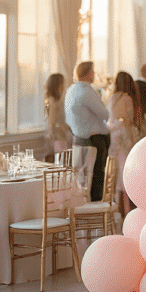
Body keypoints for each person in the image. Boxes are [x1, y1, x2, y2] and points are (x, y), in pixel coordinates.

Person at [65, 61, 110, 202]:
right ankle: (95, 206)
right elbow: (104, 114)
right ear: (87, 73)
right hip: (93, 138)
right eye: (93, 71)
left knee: (81, 176)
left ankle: (83, 204)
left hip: (77, 138)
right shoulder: (87, 91)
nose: (94, 74)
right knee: (96, 176)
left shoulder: (71, 90)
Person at [108, 71, 142, 215]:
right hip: (124, 135)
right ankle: (128, 208)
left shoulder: (112, 97)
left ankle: (119, 207)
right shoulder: (127, 98)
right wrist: (133, 139)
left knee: (118, 169)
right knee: (128, 169)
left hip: (114, 135)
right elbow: (128, 119)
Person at [43, 74, 71, 163]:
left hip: (61, 135)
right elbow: (52, 122)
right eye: (63, 83)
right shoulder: (53, 100)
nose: (64, 85)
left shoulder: (58, 100)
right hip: (57, 136)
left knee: (63, 161)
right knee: (61, 162)